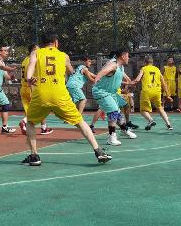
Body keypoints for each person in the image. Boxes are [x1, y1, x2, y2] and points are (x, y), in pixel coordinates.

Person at [22, 33, 112, 166]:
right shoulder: (63, 56)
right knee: (80, 122)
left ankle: (34, 156)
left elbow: (30, 68)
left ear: (42, 43)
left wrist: (30, 79)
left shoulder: (36, 53)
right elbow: (72, 72)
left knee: (30, 122)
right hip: (60, 94)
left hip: (41, 93)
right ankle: (98, 151)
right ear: (56, 42)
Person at [92, 49, 137, 146]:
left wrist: (129, 83)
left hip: (111, 93)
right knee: (113, 111)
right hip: (101, 91)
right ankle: (111, 137)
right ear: (123, 56)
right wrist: (96, 79)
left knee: (118, 114)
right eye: (128, 56)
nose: (128, 58)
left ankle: (125, 130)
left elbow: (119, 78)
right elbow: (103, 71)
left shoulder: (120, 67)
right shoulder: (113, 64)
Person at [131, 55, 174, 130]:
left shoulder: (143, 68)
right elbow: (163, 83)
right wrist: (168, 95)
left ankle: (150, 120)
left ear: (145, 62)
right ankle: (169, 124)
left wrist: (130, 83)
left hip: (147, 91)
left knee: (142, 110)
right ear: (152, 62)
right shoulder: (157, 69)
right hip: (157, 91)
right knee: (160, 108)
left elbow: (137, 79)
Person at [19, 44, 53, 135]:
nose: (40, 50)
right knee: (41, 108)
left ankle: (42, 127)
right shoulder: (33, 60)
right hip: (31, 87)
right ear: (33, 50)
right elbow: (30, 75)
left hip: (23, 88)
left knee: (29, 110)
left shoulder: (25, 60)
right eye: (38, 49)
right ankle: (25, 122)